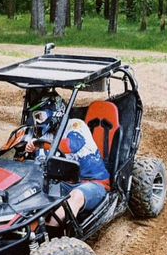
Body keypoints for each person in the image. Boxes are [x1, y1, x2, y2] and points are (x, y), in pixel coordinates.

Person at [25, 91, 110, 226]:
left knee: (75, 196)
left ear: (56, 113)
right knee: (31, 188)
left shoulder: (76, 125)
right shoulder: (47, 135)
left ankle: (54, 234)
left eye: (40, 116)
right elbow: (41, 163)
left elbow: (73, 145)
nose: (37, 121)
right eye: (35, 117)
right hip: (65, 182)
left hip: (94, 183)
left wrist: (42, 144)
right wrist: (32, 148)